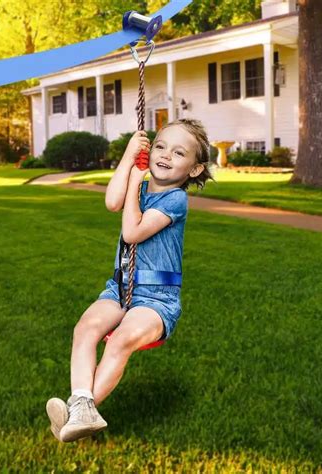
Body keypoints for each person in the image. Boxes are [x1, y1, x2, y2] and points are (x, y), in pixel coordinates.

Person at [46, 118, 214, 443]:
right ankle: (81, 407)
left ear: (194, 169)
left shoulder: (175, 200)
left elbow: (132, 231)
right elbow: (112, 202)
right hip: (120, 288)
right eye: (161, 146)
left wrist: (137, 186)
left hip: (156, 299)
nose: (165, 155)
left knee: (122, 339)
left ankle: (76, 414)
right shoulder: (138, 185)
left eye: (179, 153)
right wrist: (128, 159)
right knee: (85, 328)